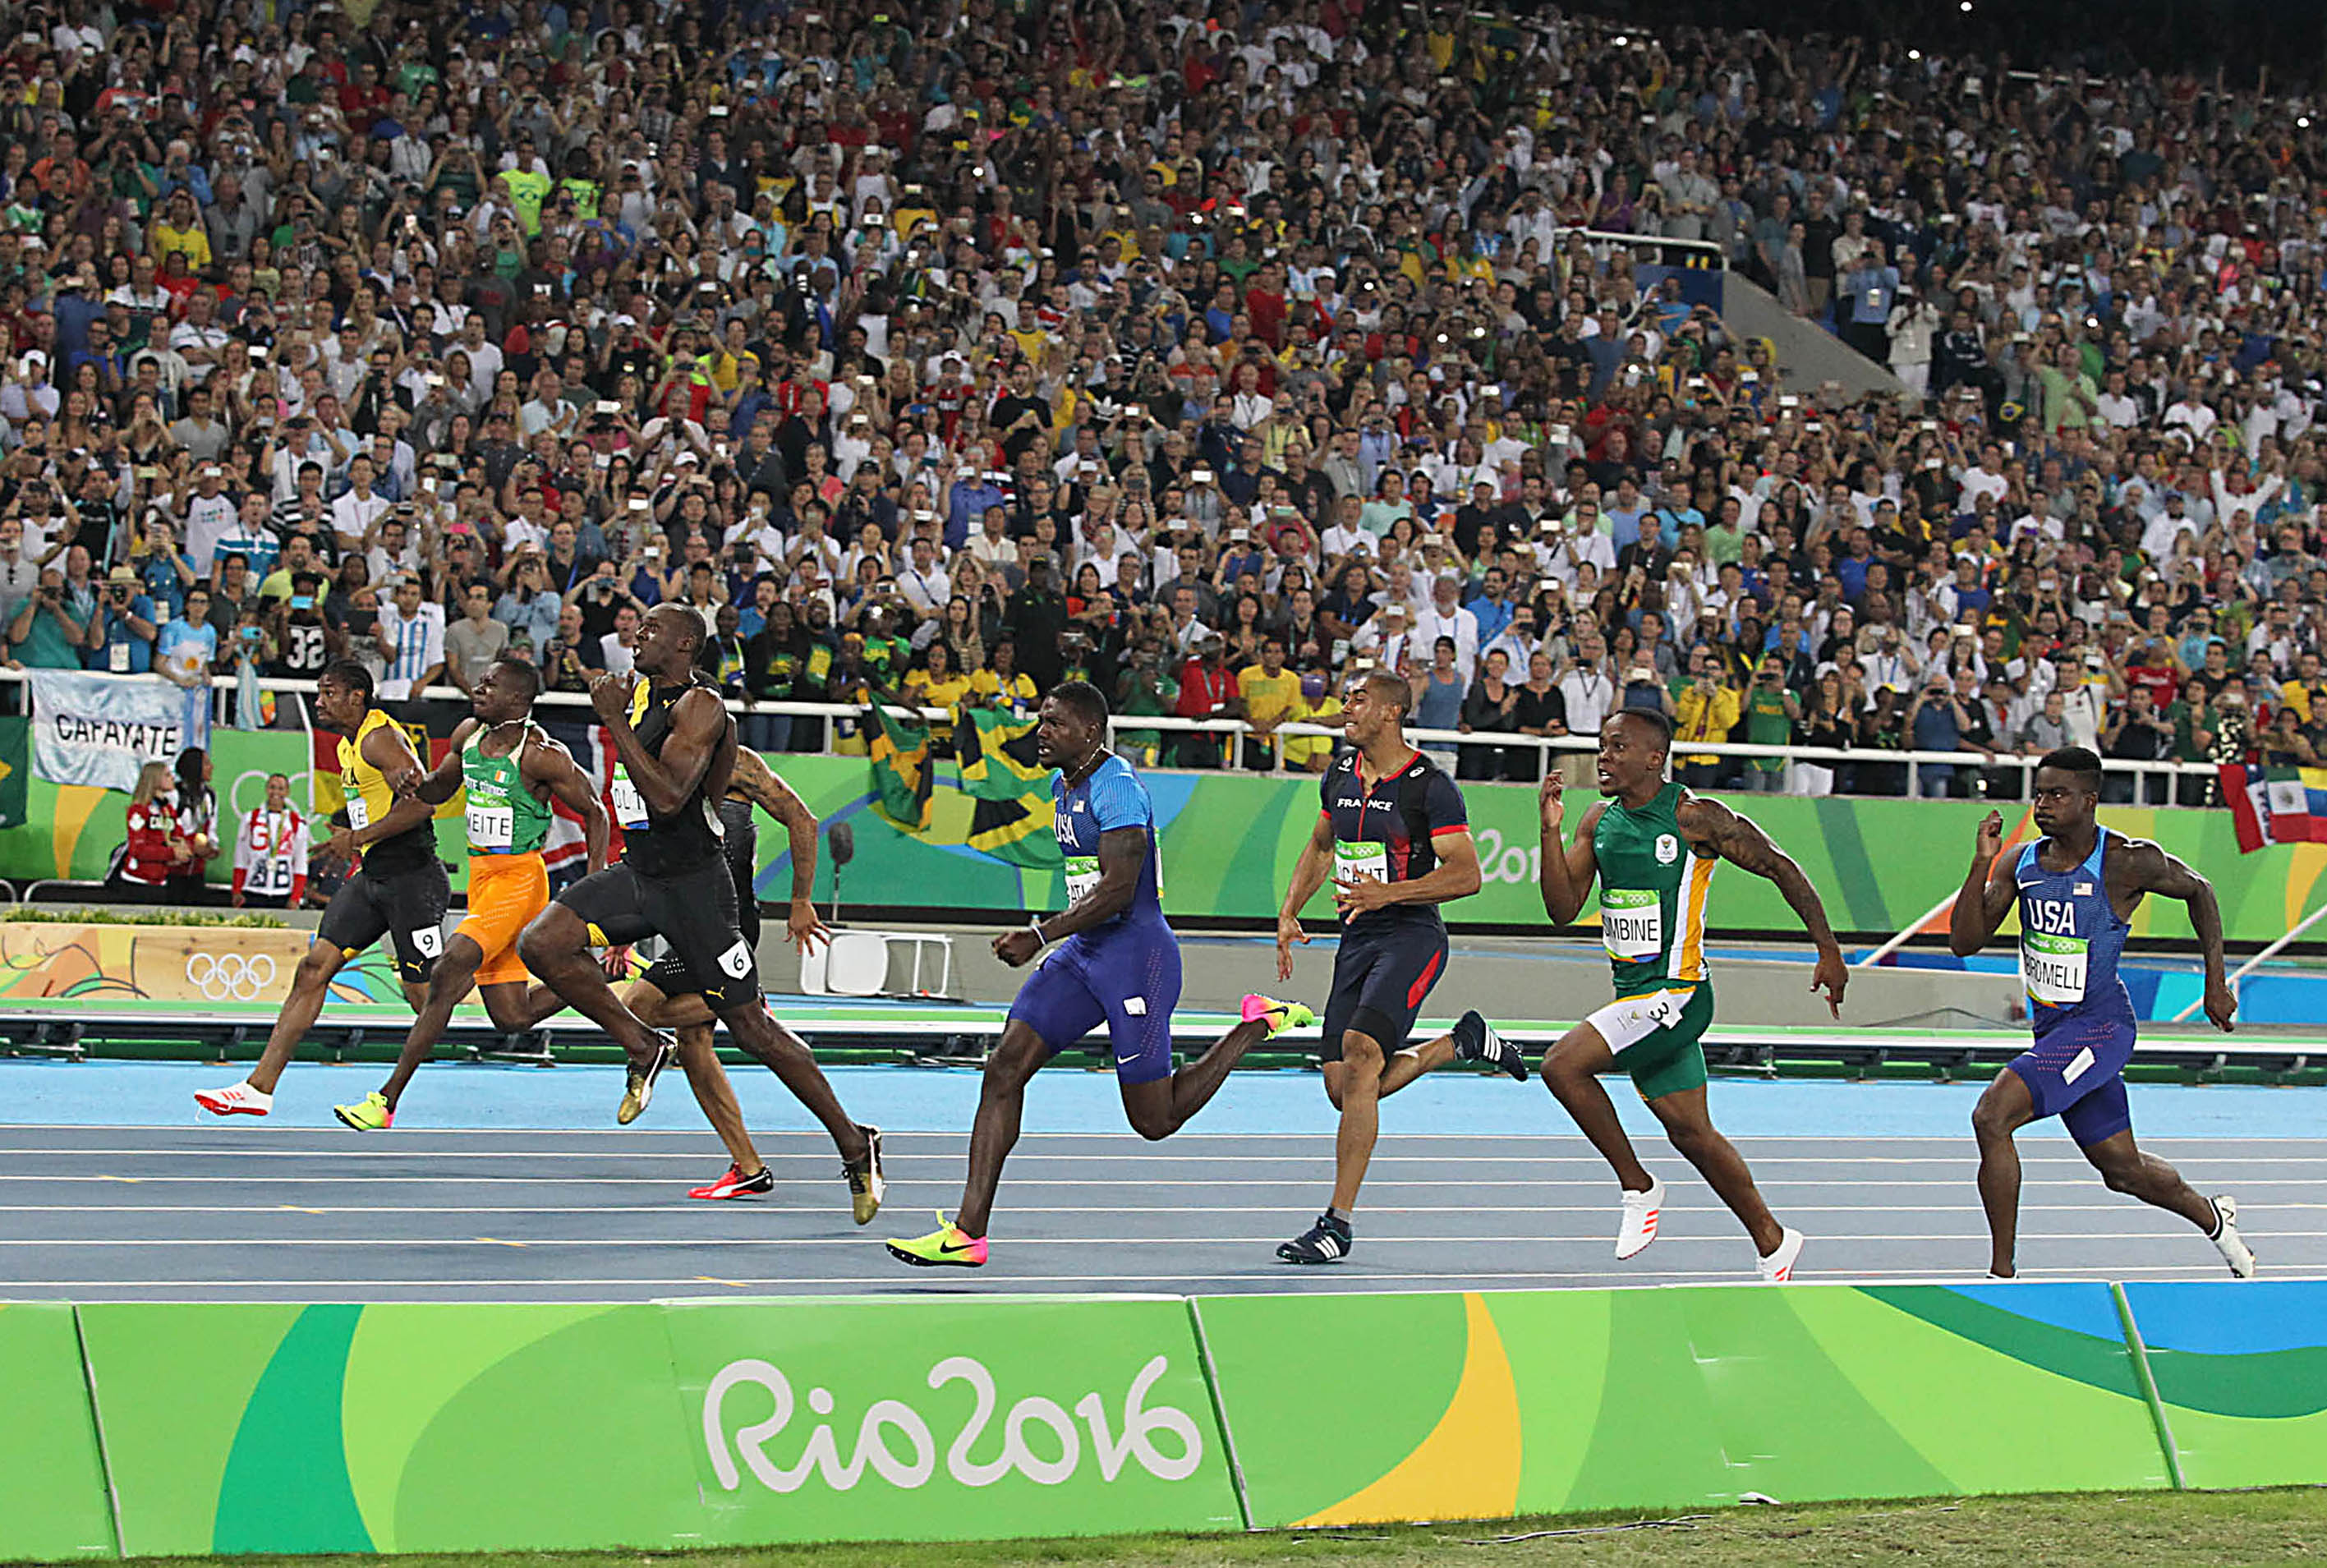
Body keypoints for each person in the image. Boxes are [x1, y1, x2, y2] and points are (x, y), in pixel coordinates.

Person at [888, 680, 1313, 1267]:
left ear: (1089, 731)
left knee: (1155, 1120)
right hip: (1085, 955)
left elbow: (1117, 891)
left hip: (1137, 958)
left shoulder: (1118, 790)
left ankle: (1255, 1025)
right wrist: (1056, 940)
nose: (1042, 732)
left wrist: (1039, 935)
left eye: (1055, 723)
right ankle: (968, 1233)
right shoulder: (1064, 784)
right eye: (1042, 720)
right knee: (1004, 1066)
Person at [516, 603, 886, 1222]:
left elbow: (666, 798)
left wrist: (614, 722)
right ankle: (643, 1047)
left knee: (752, 1031)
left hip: (696, 892)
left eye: (652, 629)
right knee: (542, 943)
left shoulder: (703, 708)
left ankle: (854, 1141)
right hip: (640, 875)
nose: (637, 635)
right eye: (638, 627)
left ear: (685, 644)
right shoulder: (639, 698)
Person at [1476, 707, 1848, 1281]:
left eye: (1617, 747)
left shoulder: (1695, 818)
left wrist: (1828, 949)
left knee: (1562, 1066)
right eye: (1601, 746)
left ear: (1655, 758)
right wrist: (1549, 831)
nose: (1603, 757)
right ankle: (1773, 1242)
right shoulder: (1597, 820)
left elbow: (1780, 867)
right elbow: (1561, 908)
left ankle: (1639, 1186)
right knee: (1692, 1133)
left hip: (1678, 995)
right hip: (1634, 998)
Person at [1947, 746, 2255, 1280]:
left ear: (2089, 801)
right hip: (2053, 1031)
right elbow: (1963, 942)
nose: (2043, 804)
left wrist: (2215, 980)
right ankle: (2213, 1218)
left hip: (2100, 1027)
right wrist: (1981, 862)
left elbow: (2200, 891)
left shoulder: (2125, 861)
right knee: (2122, 1169)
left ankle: (2001, 1275)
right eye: (2039, 793)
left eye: (2057, 794)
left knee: (1992, 1116)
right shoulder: (2020, 863)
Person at [331, 658, 613, 1130]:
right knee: (512, 1016)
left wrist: (594, 890)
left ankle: (385, 1101)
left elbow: (596, 814)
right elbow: (437, 790)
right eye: (480, 682)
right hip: (481, 878)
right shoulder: (467, 736)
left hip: (519, 879)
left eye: (489, 685)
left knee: (449, 970)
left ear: (517, 700)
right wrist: (411, 784)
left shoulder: (541, 754)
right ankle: (601, 971)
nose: (478, 689)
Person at [1269, 668, 1483, 1264]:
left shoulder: (1430, 786)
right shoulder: (1338, 775)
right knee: (1344, 1089)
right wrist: (1289, 911)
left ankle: (1336, 1223)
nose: (1346, 707)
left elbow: (1466, 874)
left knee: (1363, 1054)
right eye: (1346, 698)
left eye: (1358, 699)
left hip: (1412, 936)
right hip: (1357, 938)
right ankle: (1458, 1044)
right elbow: (1321, 846)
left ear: (1391, 712)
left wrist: (1388, 894)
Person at [196, 662, 448, 1116]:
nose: (319, 701)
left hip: (414, 881)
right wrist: (353, 834)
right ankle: (258, 1088)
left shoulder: (379, 738)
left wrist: (358, 836)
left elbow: (424, 805)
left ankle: (504, 1022)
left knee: (423, 998)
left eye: (328, 692)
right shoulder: (350, 743)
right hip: (372, 878)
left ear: (357, 697)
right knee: (313, 968)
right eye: (319, 692)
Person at [623, 743, 831, 1200]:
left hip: (727, 925)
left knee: (636, 1007)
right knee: (694, 1044)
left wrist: (801, 900)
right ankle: (749, 1168)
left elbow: (803, 819)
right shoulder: (652, 763)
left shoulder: (736, 762)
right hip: (684, 920)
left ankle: (745, 999)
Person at [231, 772, 306, 909]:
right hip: (253, 890)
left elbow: (300, 863)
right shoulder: (250, 818)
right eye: (272, 787)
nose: (276, 792)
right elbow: (241, 858)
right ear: (266, 789)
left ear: (287, 792)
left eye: (281, 788)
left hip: (283, 893)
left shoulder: (297, 822)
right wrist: (236, 890)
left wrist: (296, 897)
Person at [111, 760, 185, 898]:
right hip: (137, 881)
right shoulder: (139, 810)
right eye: (167, 775)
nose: (172, 778)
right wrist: (172, 853)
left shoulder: (169, 810)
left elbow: (177, 837)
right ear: (155, 779)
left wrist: (183, 849)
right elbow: (138, 849)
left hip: (161, 880)